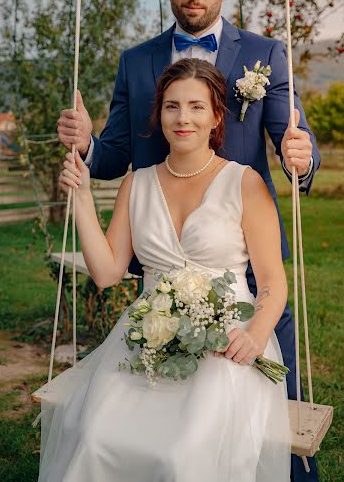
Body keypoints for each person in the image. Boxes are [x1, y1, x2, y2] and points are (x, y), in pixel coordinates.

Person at [57, 0, 320, 480]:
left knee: (271, 418)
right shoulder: (137, 61)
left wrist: (303, 154)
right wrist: (85, 145)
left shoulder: (264, 55)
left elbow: (289, 134)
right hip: (160, 254)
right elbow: (114, 153)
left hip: (242, 262)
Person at [39, 58, 291, 482]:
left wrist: (255, 335)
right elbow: (105, 273)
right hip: (145, 336)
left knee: (184, 454)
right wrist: (81, 198)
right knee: (97, 437)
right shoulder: (136, 184)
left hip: (224, 340)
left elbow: (271, 282)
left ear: (215, 116)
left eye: (196, 106)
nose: (183, 117)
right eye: (172, 106)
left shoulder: (244, 183)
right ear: (159, 114)